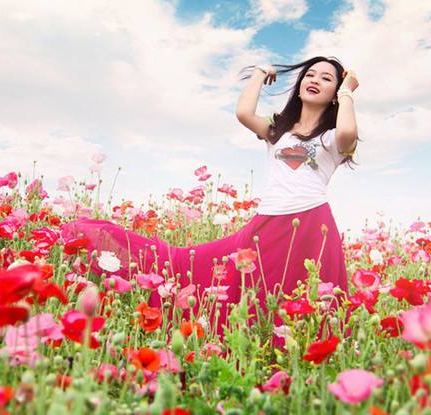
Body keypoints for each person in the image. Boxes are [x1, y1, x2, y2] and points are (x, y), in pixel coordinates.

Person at [60, 55, 359, 340]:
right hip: (266, 225)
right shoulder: (278, 130)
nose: (315, 80)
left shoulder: (332, 139)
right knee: (203, 269)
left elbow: (347, 132)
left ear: (335, 92)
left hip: (312, 226)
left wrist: (347, 91)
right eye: (310, 74)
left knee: (304, 300)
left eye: (326, 78)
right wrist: (259, 72)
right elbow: (244, 113)